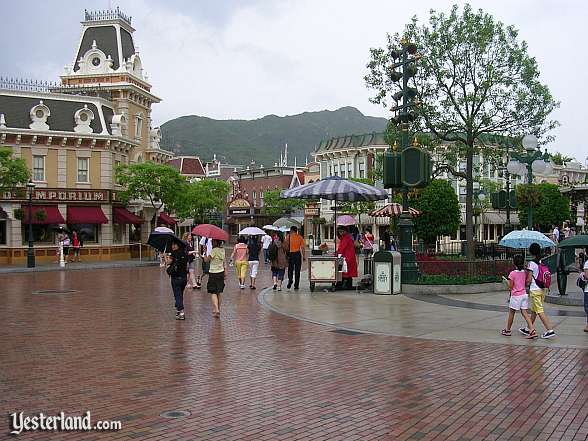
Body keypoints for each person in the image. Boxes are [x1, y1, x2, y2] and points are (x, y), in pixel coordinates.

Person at [519, 242, 556, 339]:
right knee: (535, 310)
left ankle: (549, 330)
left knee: (539, 310)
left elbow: (529, 279)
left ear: (531, 252)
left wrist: (525, 282)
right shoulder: (541, 262)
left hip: (535, 290)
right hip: (542, 289)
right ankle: (528, 328)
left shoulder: (531, 263)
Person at [501, 254, 536, 338]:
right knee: (525, 313)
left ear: (514, 263)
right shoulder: (525, 272)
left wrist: (507, 282)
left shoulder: (512, 273)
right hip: (524, 294)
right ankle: (531, 329)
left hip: (516, 296)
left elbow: (511, 286)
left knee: (511, 313)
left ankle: (508, 330)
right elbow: (525, 283)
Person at [203, 239, 227, 318]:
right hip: (221, 272)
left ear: (216, 242)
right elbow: (224, 261)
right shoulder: (222, 250)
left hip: (213, 272)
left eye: (213, 241)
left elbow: (206, 260)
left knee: (213, 292)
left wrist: (205, 252)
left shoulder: (214, 250)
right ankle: (218, 309)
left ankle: (216, 309)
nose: (212, 242)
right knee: (219, 292)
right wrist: (225, 272)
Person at [165, 241, 189, 320]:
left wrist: (165, 255)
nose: (173, 246)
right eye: (172, 244)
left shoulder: (174, 253)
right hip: (184, 278)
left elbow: (168, 262)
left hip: (176, 278)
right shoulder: (185, 253)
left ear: (178, 245)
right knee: (180, 294)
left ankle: (181, 312)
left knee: (177, 295)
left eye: (174, 244)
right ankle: (178, 310)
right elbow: (187, 266)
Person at [284, 226, 305, 290]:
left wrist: (286, 253)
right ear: (296, 230)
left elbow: (286, 246)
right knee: (297, 270)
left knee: (290, 269)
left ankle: (290, 280)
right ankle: (296, 285)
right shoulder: (300, 237)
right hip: (297, 254)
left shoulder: (288, 237)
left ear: (292, 230)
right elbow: (303, 248)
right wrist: (303, 256)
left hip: (291, 254)